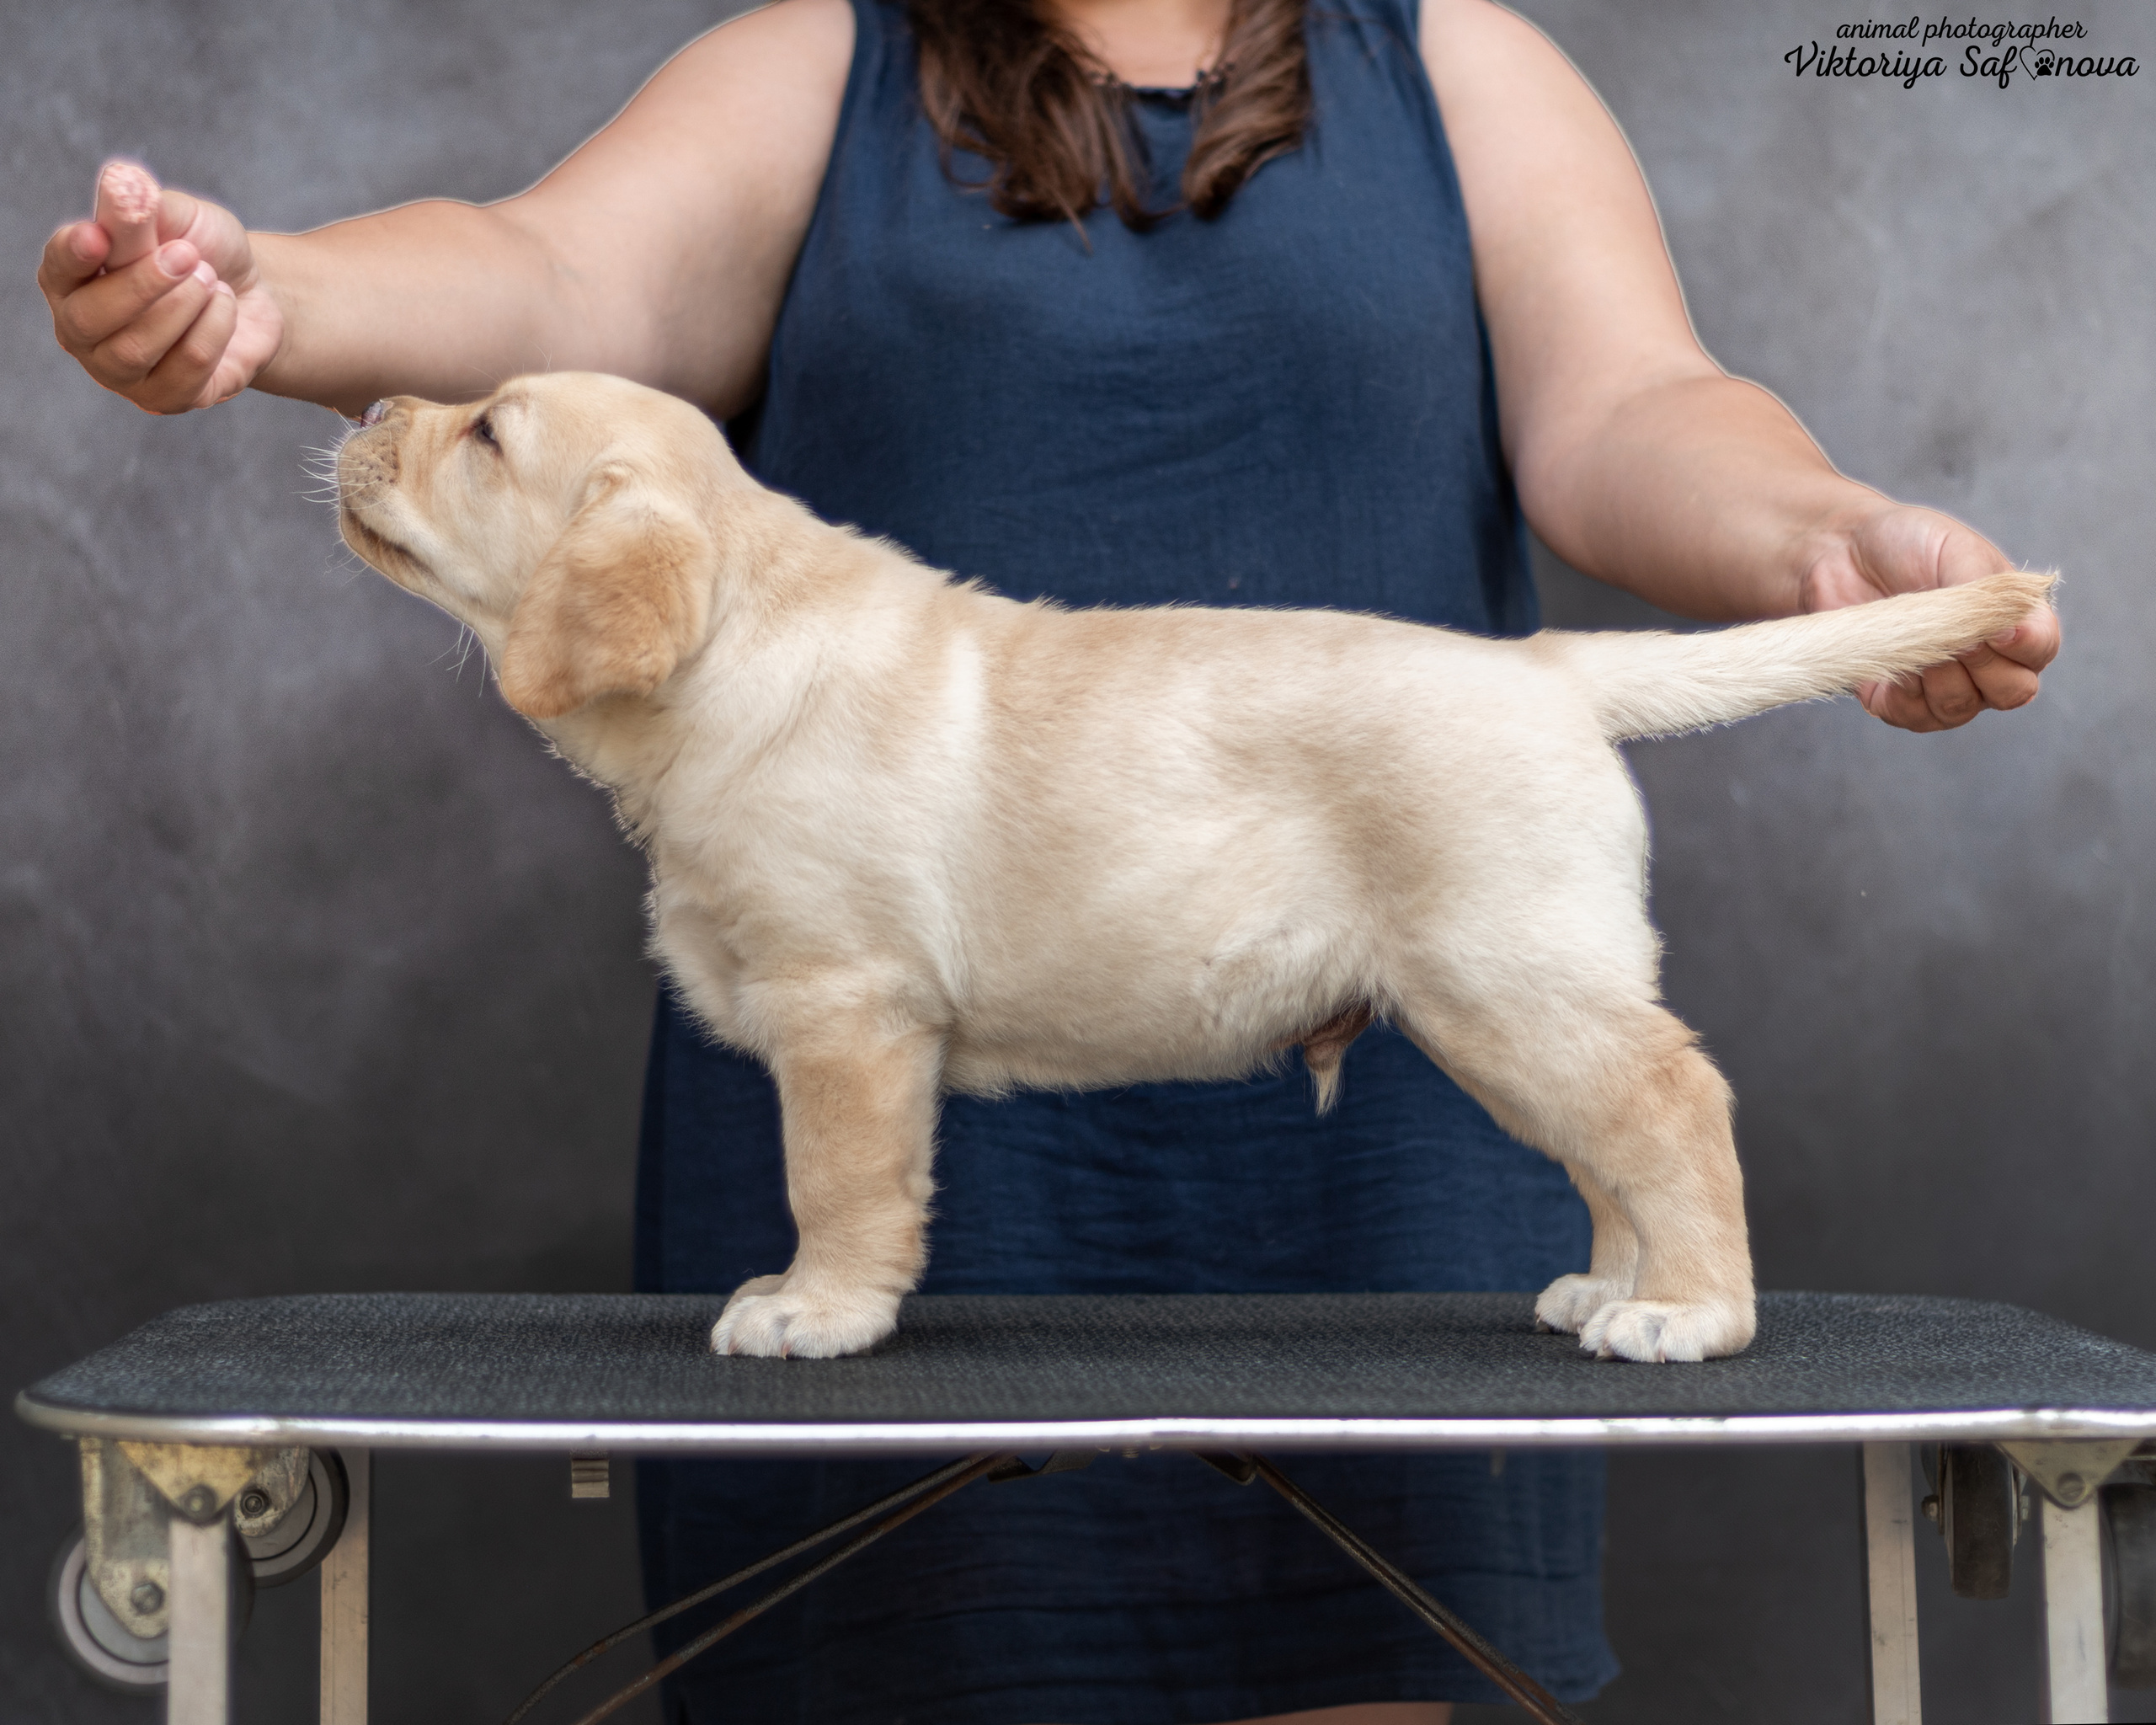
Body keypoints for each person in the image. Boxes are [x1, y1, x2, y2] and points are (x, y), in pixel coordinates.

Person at [40, 0, 2056, 1719]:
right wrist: (272, 292)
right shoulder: (818, 60)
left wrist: (1814, 541)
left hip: (1380, 1179)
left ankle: (1664, 1228)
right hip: (931, 1195)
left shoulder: (1459, 62)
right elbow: (548, 277)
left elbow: (1634, 403)